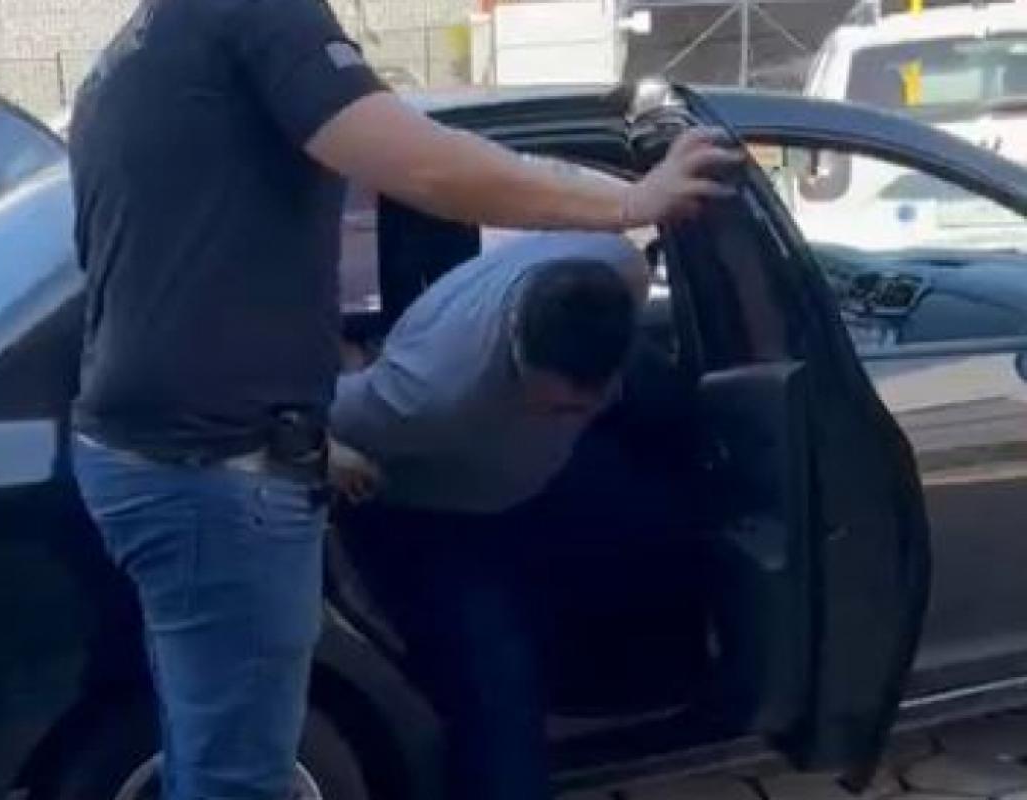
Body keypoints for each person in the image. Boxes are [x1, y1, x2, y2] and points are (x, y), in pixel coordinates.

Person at [66, 0, 741, 796]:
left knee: (208, 751)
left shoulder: (131, 57)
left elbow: (154, 280)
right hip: (219, 472)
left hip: (153, 455)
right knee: (239, 777)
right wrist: (631, 203)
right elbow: (424, 168)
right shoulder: (258, 13)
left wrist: (308, 435)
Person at [330, 232, 663, 800]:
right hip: (438, 515)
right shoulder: (428, 394)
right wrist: (325, 451)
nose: (570, 414)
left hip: (535, 483)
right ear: (519, 356)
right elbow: (277, 408)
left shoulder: (616, 272)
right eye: (555, 406)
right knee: (496, 695)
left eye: (586, 403)